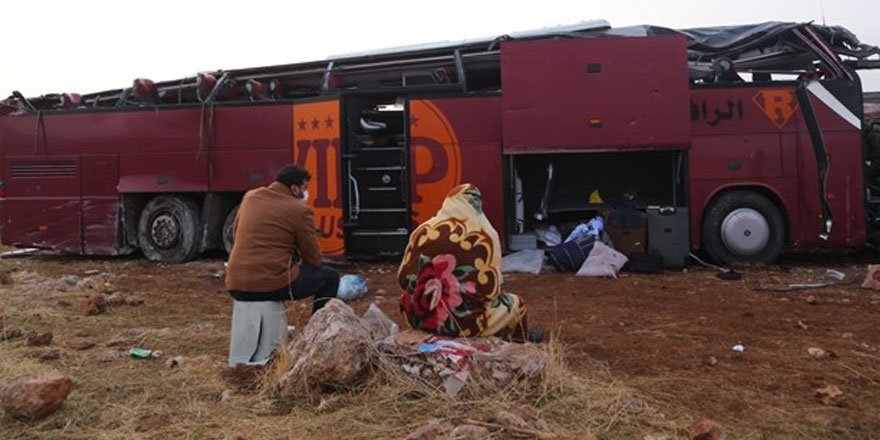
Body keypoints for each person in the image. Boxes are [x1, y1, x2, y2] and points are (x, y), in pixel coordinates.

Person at [225, 164, 339, 365]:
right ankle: (316, 338)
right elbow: (313, 258)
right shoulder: (299, 210)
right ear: (294, 188)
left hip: (235, 284)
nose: (305, 192)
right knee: (329, 277)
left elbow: (235, 234)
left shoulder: (250, 197)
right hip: (269, 285)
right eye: (303, 187)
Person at [397, 183, 529, 341]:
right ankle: (517, 347)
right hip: (466, 326)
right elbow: (492, 291)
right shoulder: (486, 235)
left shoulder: (423, 230)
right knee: (516, 304)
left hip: (419, 318)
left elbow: (402, 278)